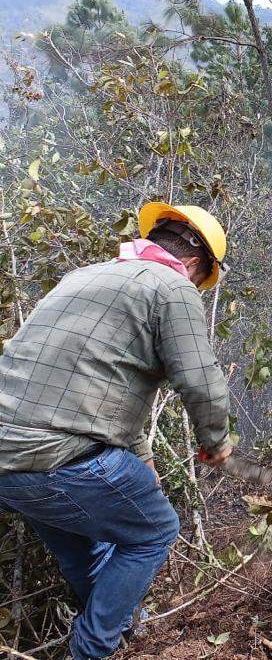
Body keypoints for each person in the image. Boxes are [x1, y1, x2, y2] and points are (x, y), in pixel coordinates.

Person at [0, 202, 234, 660]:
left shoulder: (82, 276)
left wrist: (143, 459)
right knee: (155, 531)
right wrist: (217, 444)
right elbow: (201, 382)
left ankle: (124, 630)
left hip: (8, 460)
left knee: (84, 551)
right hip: (57, 458)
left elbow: (100, 384)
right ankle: (91, 651)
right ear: (193, 264)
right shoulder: (172, 286)